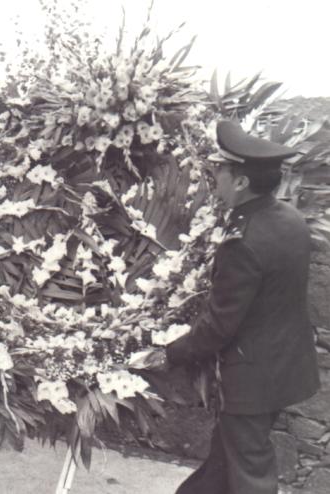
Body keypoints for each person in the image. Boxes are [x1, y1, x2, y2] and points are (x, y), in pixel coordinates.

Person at [165, 120, 320, 494]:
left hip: (252, 381)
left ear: (240, 182)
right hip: (284, 368)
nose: (214, 175)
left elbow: (220, 325)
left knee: (250, 476)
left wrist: (173, 352)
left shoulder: (242, 241)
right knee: (222, 468)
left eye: (221, 169)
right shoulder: (290, 219)